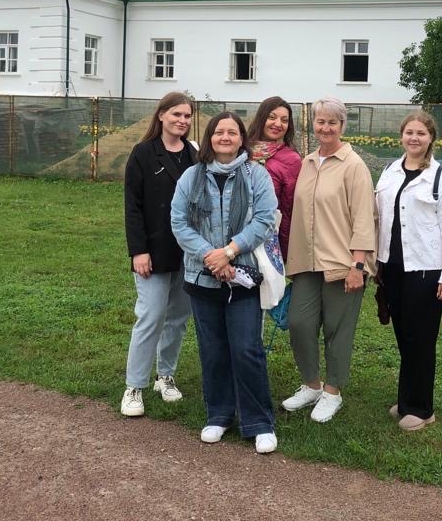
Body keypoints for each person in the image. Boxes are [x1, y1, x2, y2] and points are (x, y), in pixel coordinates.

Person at [171, 112, 280, 454]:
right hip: (203, 276)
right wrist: (211, 256)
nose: (226, 137)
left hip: (242, 276)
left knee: (247, 348)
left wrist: (230, 252)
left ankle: (259, 422)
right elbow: (179, 221)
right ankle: (219, 414)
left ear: (241, 138)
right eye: (219, 132)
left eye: (232, 132)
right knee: (213, 349)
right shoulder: (192, 176)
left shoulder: (256, 175)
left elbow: (265, 219)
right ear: (210, 137)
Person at [282, 96, 375, 423]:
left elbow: (365, 218)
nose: (325, 128)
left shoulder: (353, 165)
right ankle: (311, 385)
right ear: (314, 124)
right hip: (306, 262)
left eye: (332, 122)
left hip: (343, 263)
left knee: (338, 329)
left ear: (342, 126)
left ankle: (333, 392)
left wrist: (358, 265)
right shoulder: (307, 163)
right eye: (320, 121)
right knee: (299, 323)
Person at [374, 111, 442, 431]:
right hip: (392, 267)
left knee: (421, 339)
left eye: (421, 134)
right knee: (403, 336)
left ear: (431, 139)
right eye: (409, 132)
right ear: (401, 136)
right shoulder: (389, 172)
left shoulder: (441, 178)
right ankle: (407, 399)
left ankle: (422, 409)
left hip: (425, 270)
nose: (414, 138)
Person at [121, 92, 198, 417]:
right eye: (177, 114)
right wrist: (138, 251)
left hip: (188, 253)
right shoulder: (143, 153)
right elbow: (133, 206)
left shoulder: (194, 155)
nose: (182, 120)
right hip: (153, 251)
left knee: (178, 319)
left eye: (187, 116)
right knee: (151, 316)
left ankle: (165, 375)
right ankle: (134, 387)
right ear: (162, 115)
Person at [246, 96, 302, 259]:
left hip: (268, 239)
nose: (278, 124)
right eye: (272, 117)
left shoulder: (291, 160)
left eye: (284, 120)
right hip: (234, 235)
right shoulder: (241, 150)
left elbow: (288, 208)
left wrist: (284, 250)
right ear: (261, 118)